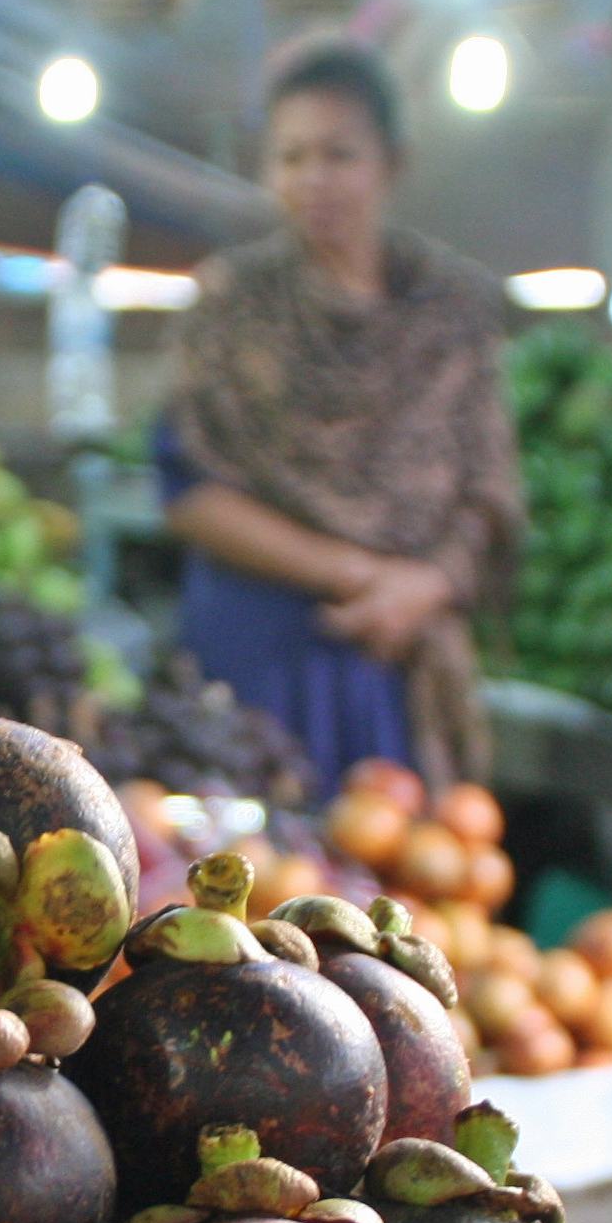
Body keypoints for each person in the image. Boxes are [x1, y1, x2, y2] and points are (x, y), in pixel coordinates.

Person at [158, 40, 524, 790]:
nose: (312, 179)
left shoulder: (452, 310)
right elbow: (188, 490)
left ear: (393, 162)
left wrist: (424, 587)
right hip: (259, 652)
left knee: (404, 854)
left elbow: (487, 494)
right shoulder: (232, 306)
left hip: (395, 657)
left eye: (339, 154)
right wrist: (360, 574)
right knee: (251, 850)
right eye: (290, 157)